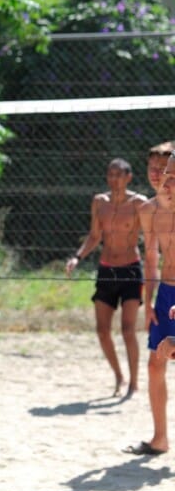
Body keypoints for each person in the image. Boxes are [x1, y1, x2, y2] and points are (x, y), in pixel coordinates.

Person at [65, 158, 146, 398]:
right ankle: (119, 376)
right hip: (106, 269)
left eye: (119, 175)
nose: (114, 179)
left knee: (128, 329)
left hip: (131, 269)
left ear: (128, 177)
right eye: (110, 175)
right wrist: (77, 257)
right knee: (102, 330)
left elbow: (153, 235)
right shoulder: (100, 202)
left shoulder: (139, 203)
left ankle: (133, 382)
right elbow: (94, 236)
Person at [128, 148, 175, 456]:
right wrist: (149, 303)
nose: (161, 177)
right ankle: (160, 439)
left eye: (168, 173)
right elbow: (150, 258)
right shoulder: (149, 210)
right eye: (159, 171)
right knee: (156, 363)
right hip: (166, 296)